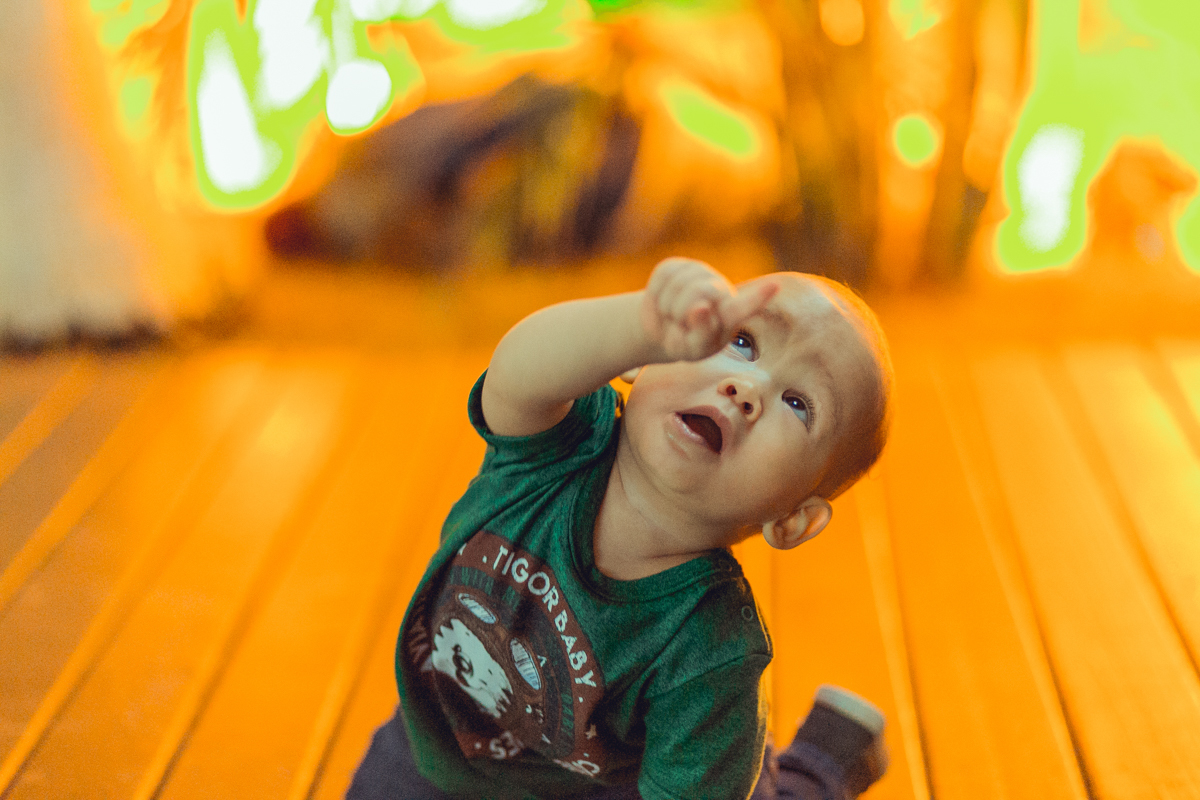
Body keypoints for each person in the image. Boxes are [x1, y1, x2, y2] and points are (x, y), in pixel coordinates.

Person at [349, 257, 894, 800]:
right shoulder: (558, 448)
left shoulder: (712, 652)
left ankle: (819, 765)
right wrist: (640, 328)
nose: (746, 386)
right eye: (743, 343)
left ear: (792, 518)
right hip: (437, 749)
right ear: (638, 364)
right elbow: (516, 372)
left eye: (798, 404)